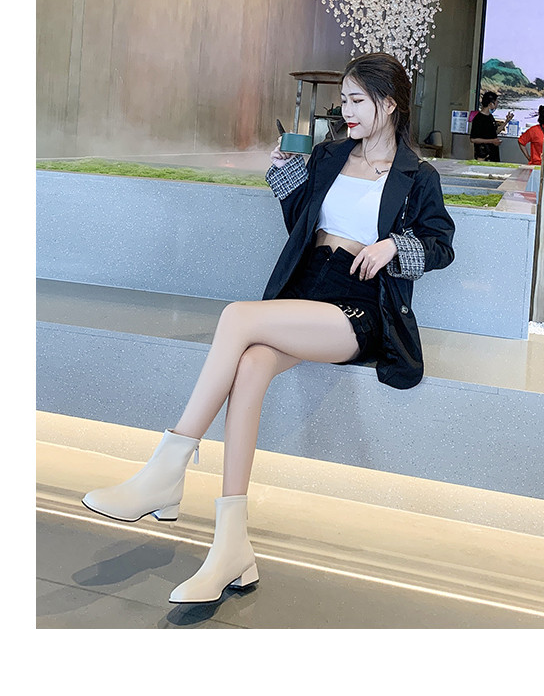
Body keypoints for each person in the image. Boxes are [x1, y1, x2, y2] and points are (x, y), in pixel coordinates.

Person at [81, 52, 456, 605]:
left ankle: (167, 469)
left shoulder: (417, 176)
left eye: (356, 101)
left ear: (389, 103)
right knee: (252, 365)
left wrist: (393, 247)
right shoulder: (329, 155)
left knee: (237, 316)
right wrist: (284, 173)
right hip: (308, 289)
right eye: (344, 100)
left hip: (360, 305)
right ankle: (231, 548)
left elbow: (441, 245)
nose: (345, 111)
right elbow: (303, 220)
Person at [469, 91, 513, 162]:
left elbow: (494, 132)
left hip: (493, 154)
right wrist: (492, 141)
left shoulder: (490, 117)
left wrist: (506, 121)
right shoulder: (478, 119)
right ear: (491, 104)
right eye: (496, 102)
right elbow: (473, 139)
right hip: (483, 155)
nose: (497, 104)